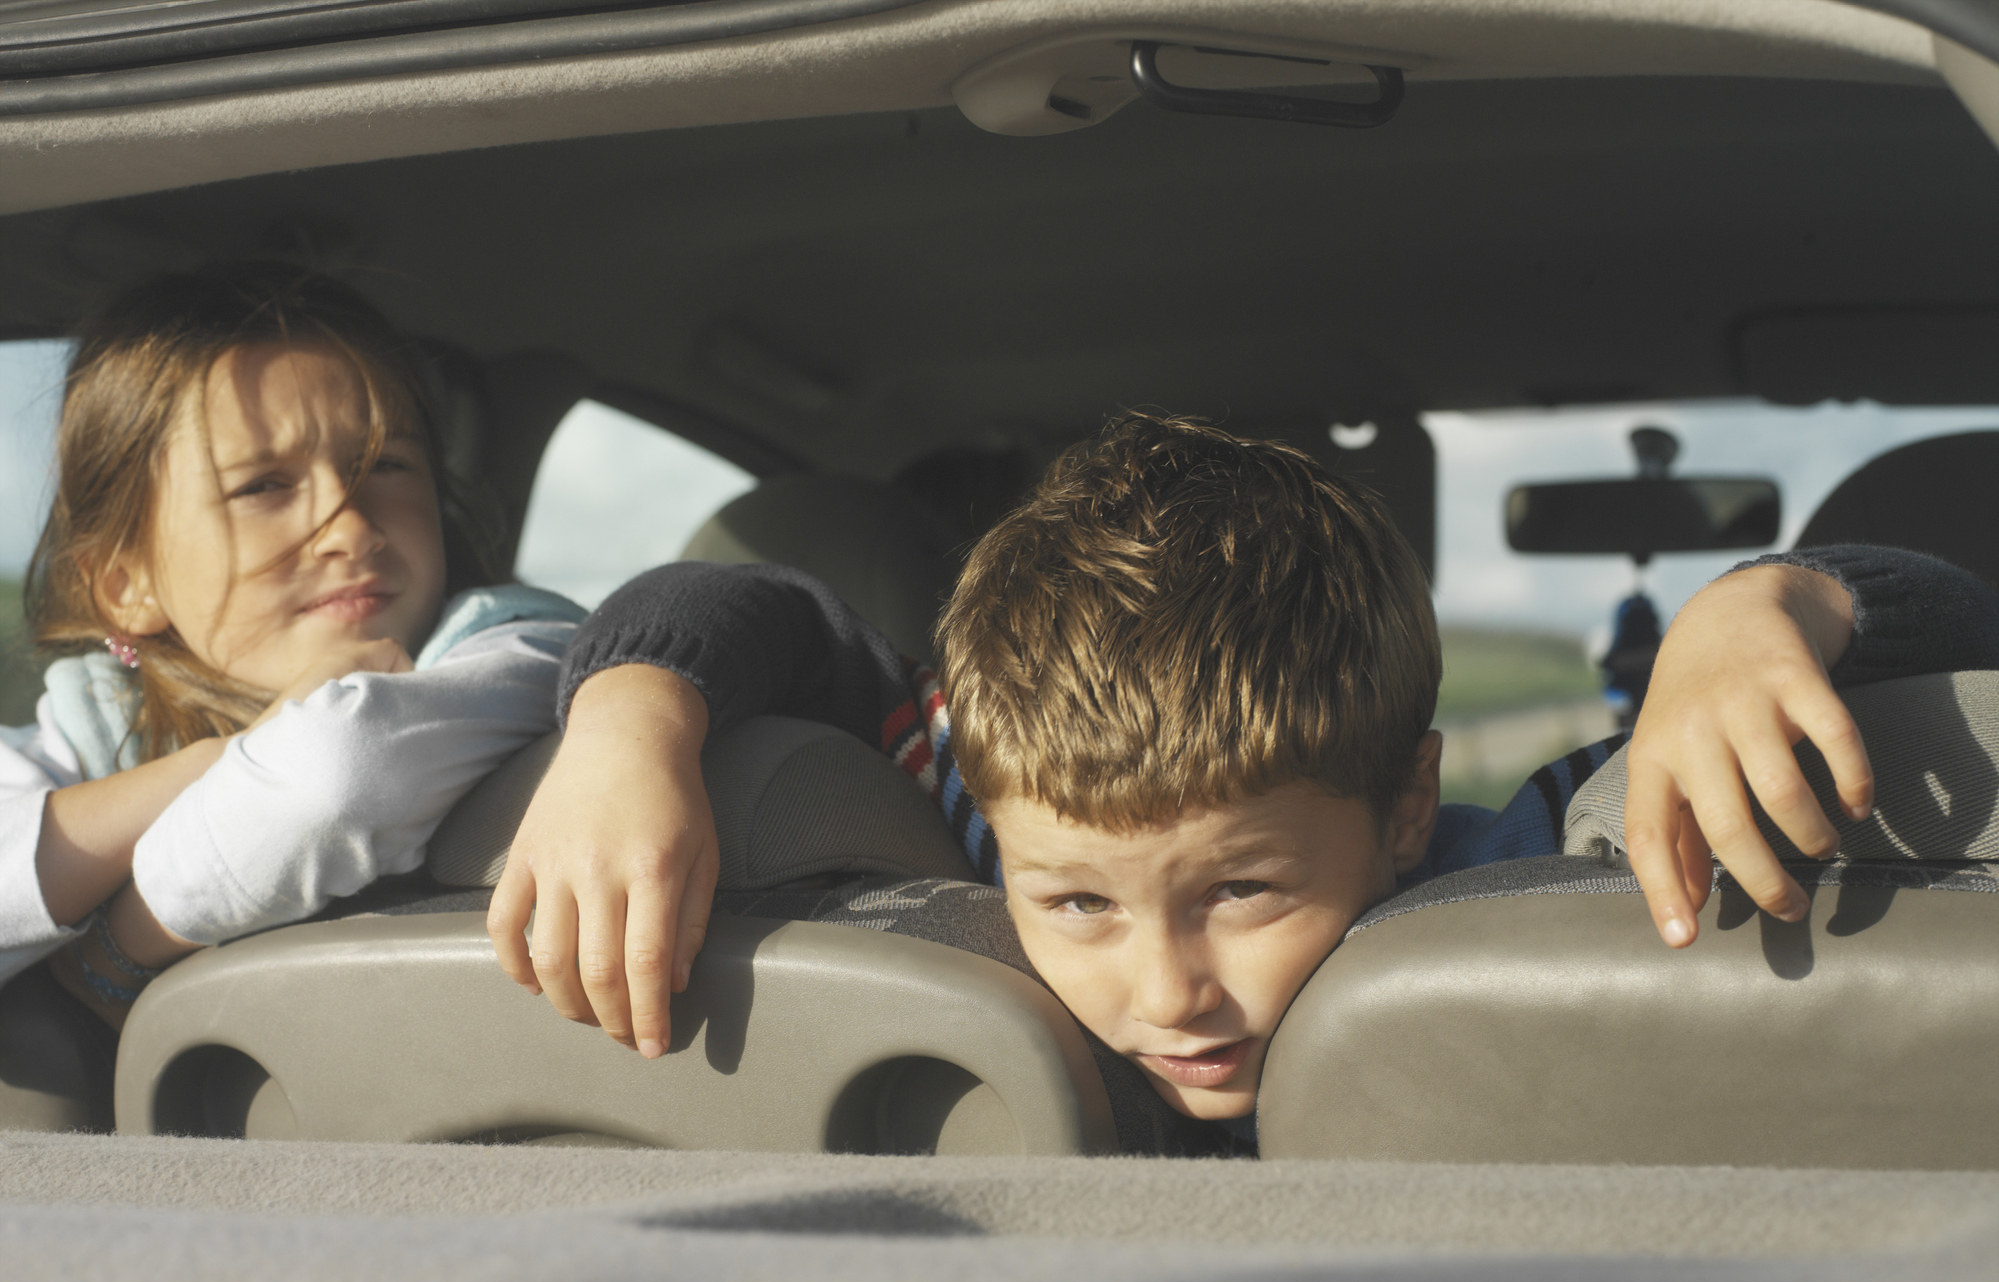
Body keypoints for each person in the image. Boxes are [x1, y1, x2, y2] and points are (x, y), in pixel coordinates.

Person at [488, 413, 1999, 1127]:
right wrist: (632, 714)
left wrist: (1767, 607)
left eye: (1245, 888)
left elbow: (1953, 627)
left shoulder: (1525, 861)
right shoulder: (966, 811)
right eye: (1073, 902)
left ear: (1406, 808)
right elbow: (789, 624)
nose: (1165, 989)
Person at [1, 263, 580, 1033]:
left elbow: (337, 773)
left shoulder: (516, 650)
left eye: (385, 465)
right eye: (264, 485)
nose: (350, 528)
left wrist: (116, 950)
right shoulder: (96, 726)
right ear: (126, 584)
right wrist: (221, 755)